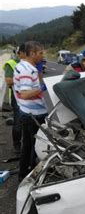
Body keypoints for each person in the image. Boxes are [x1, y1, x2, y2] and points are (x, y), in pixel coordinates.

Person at [13, 41, 48, 181]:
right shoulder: (27, 70)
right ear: (32, 53)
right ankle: (30, 177)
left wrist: (39, 73)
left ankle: (24, 175)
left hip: (28, 112)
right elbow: (25, 94)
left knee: (28, 146)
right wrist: (43, 88)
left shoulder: (24, 66)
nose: (42, 55)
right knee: (34, 147)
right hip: (32, 115)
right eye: (40, 53)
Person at [3, 44, 26, 155]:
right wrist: (25, 79)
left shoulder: (30, 64)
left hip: (29, 96)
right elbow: (8, 81)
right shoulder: (11, 64)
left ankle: (28, 145)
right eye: (25, 53)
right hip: (16, 96)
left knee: (29, 121)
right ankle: (17, 145)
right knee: (18, 121)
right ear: (19, 53)